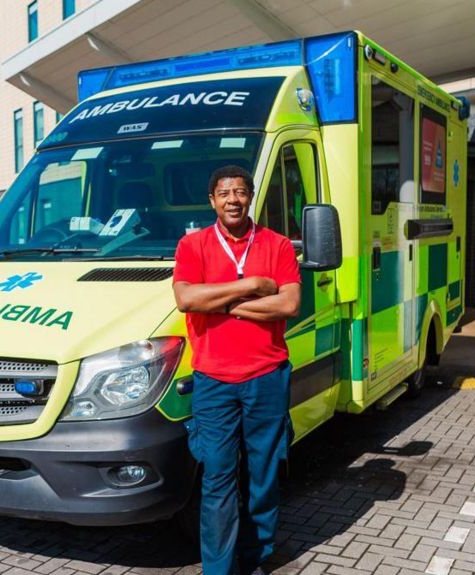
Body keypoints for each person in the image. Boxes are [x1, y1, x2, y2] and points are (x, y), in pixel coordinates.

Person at [173, 165, 301, 575]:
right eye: (225, 193)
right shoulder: (192, 246)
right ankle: (218, 569)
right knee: (217, 479)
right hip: (214, 382)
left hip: (267, 377)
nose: (233, 199)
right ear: (212, 201)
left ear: (250, 197)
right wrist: (250, 287)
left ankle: (257, 558)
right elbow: (187, 299)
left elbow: (288, 305)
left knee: (264, 476)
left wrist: (222, 303)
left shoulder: (278, 245)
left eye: (241, 192)